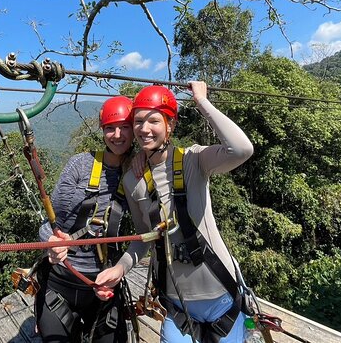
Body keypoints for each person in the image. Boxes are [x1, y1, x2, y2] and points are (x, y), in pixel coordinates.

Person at [95, 82, 254, 343]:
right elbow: (143, 240)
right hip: (177, 302)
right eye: (138, 122)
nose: (144, 129)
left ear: (171, 125)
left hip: (220, 295)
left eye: (154, 121)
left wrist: (202, 102)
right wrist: (121, 268)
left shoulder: (194, 160)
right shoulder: (132, 181)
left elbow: (241, 149)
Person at [36, 95, 136, 343]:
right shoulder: (80, 165)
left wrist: (118, 271)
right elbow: (51, 224)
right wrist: (51, 243)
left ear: (135, 130)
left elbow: (146, 232)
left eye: (124, 127)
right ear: (102, 132)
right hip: (61, 279)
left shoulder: (138, 173)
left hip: (104, 284)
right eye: (110, 128)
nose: (117, 135)